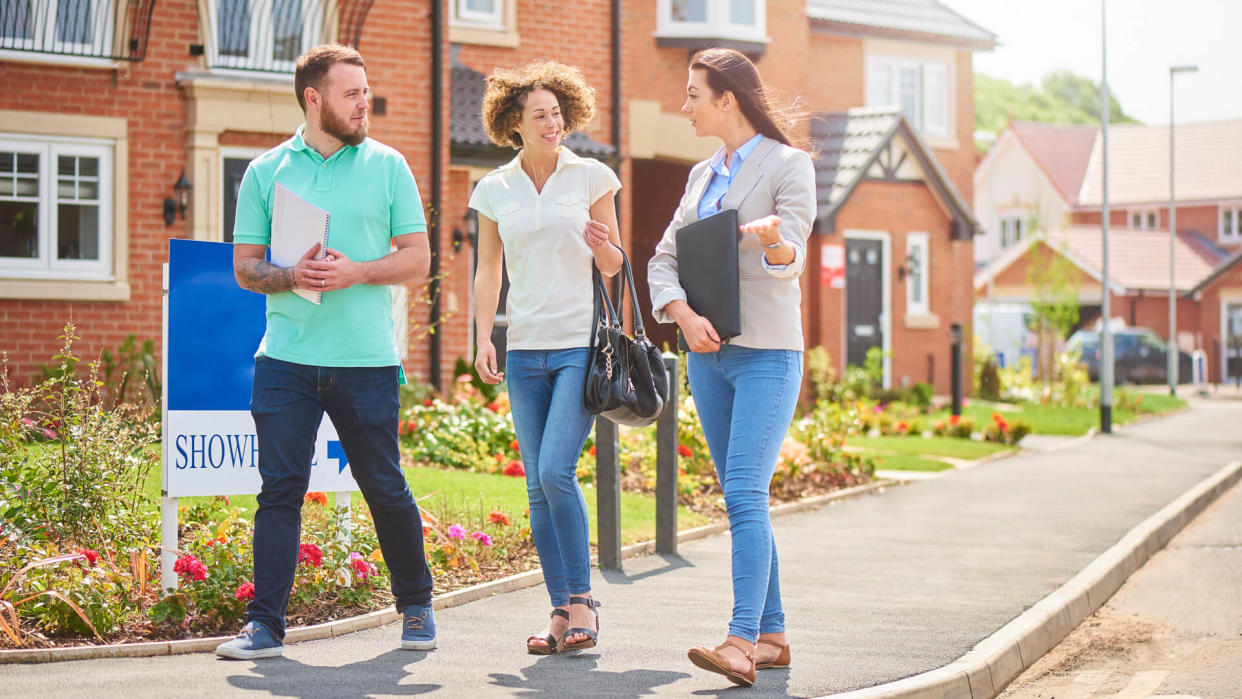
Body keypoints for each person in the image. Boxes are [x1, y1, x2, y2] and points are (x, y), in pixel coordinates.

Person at [215, 43, 437, 660]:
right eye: (351, 93)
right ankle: (264, 626)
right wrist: (290, 277)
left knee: (384, 486)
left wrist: (358, 271)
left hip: (365, 360)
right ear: (314, 99)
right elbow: (244, 268)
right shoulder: (265, 172)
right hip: (285, 357)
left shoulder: (389, 165)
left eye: (365, 92)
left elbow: (418, 259)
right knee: (279, 490)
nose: (364, 103)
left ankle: (416, 607)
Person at [646, 47, 815, 687]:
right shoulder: (699, 176)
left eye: (694, 94)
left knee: (745, 492)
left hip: (767, 352)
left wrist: (773, 240)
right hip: (708, 357)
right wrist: (684, 317)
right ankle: (772, 635)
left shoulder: (788, 165)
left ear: (728, 99)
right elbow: (664, 259)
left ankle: (740, 640)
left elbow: (792, 254)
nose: (684, 106)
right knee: (742, 496)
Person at [470, 60, 622, 655]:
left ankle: (584, 600)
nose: (553, 123)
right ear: (515, 123)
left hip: (577, 344)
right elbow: (488, 270)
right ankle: (560, 612)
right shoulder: (493, 189)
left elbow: (614, 266)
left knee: (557, 469)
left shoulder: (591, 177)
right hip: (525, 348)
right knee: (536, 485)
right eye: (540, 115)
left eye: (558, 113)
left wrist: (603, 247)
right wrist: (485, 336)